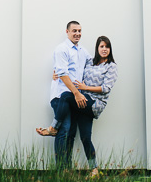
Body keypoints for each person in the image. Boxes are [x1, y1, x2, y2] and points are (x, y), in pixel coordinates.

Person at [38, 35, 118, 177]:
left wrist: (84, 87)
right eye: (101, 46)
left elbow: (106, 88)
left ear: (110, 49)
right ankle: (94, 170)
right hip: (83, 102)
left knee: (65, 96)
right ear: (97, 48)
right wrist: (56, 73)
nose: (104, 49)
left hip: (95, 104)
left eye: (107, 46)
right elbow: (76, 68)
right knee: (85, 137)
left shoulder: (111, 66)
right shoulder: (91, 62)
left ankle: (53, 127)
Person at [36, 21, 91, 168]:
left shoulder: (83, 52)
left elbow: (92, 65)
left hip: (74, 98)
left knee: (71, 132)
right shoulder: (62, 49)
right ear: (67, 32)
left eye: (79, 31)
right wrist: (76, 93)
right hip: (61, 97)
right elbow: (62, 73)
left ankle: (67, 169)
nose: (77, 33)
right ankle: (61, 170)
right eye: (74, 31)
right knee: (64, 129)